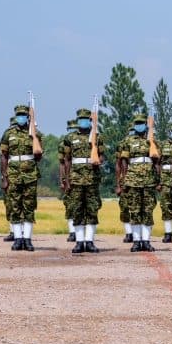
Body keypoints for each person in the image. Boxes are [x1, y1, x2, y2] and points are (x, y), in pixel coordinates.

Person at [61, 108, 105, 254]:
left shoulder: (97, 137)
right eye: (81, 119)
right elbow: (66, 160)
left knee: (92, 209)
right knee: (77, 210)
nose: (83, 121)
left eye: (86, 119)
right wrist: (66, 179)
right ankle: (79, 241)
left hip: (92, 178)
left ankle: (90, 241)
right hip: (76, 178)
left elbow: (102, 156)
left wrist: (97, 160)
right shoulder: (70, 138)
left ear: (90, 121)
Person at [0, 104, 42, 252]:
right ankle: (18, 239)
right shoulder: (8, 134)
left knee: (29, 207)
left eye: (24, 115)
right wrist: (4, 177)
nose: (21, 117)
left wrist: (34, 137)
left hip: (30, 175)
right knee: (15, 206)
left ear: (28, 117)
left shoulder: (35, 133)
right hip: (13, 174)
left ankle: (28, 239)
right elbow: (4, 156)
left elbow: (38, 156)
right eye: (19, 115)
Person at [116, 113, 158, 252]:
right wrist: (124, 179)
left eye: (141, 123)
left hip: (149, 181)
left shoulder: (153, 141)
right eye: (137, 123)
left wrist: (158, 180)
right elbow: (123, 162)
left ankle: (146, 241)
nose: (139, 125)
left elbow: (158, 161)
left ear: (146, 125)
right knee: (134, 211)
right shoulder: (128, 141)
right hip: (133, 180)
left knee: (147, 211)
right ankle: (136, 241)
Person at [61, 119, 79, 242]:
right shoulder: (64, 144)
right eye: (70, 129)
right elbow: (62, 164)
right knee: (69, 205)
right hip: (69, 178)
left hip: (81, 177)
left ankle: (81, 232)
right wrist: (62, 179)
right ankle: (72, 231)